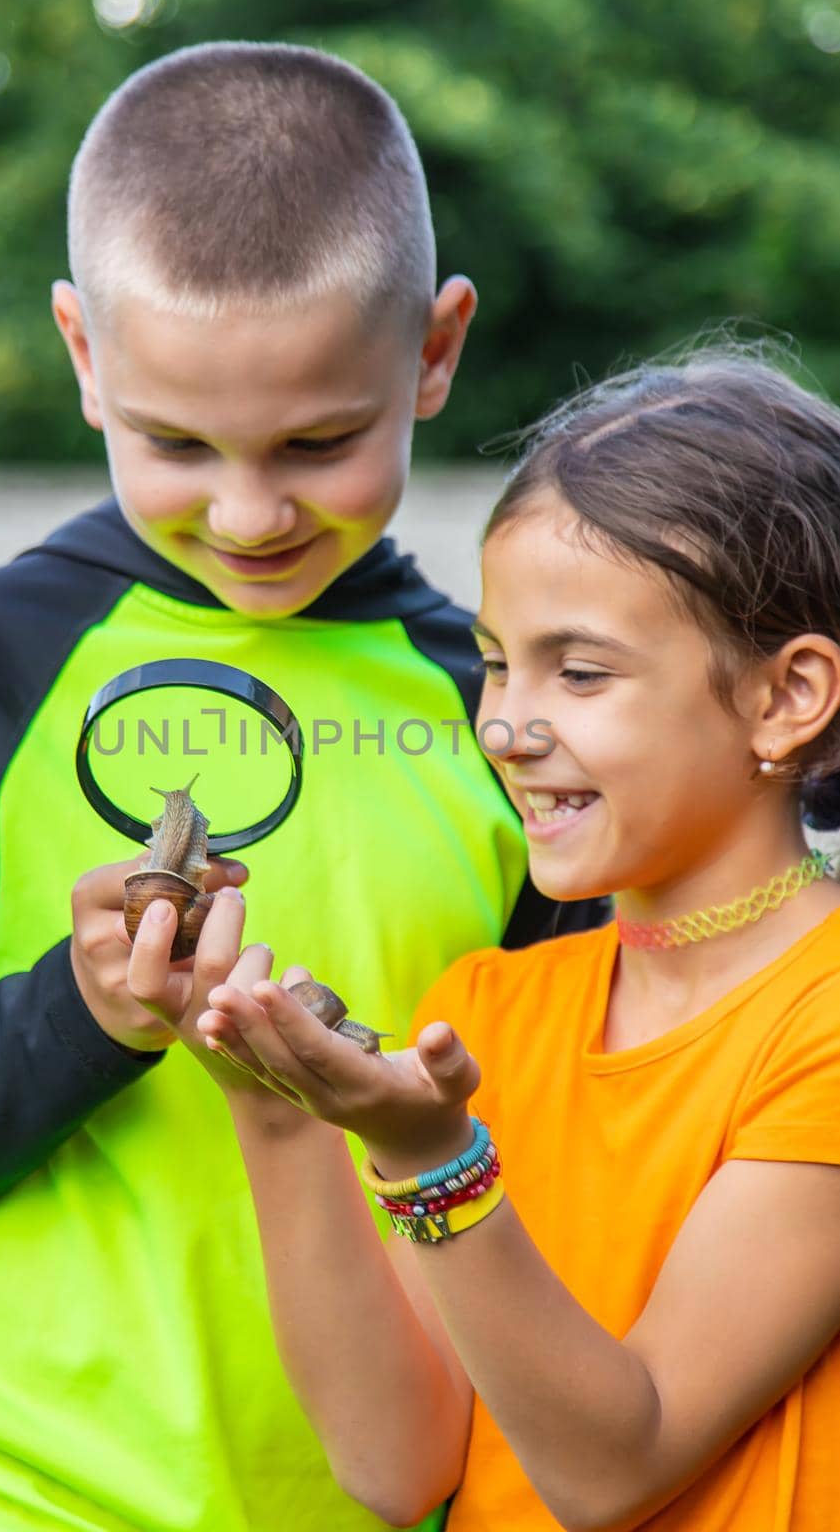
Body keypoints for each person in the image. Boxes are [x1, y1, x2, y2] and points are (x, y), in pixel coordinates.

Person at [0, 44, 603, 1532]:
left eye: (318, 443)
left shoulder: (510, 711)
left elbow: (588, 1177)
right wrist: (79, 1016)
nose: (246, 513)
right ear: (83, 352)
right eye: (174, 443)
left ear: (433, 351)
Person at [133, 349, 840, 1531]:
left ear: (787, 694)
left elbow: (617, 1462)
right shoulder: (492, 1008)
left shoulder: (820, 1020)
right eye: (497, 661)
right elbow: (403, 1463)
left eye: (580, 671)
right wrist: (273, 1103)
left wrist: (430, 1158)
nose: (507, 723)